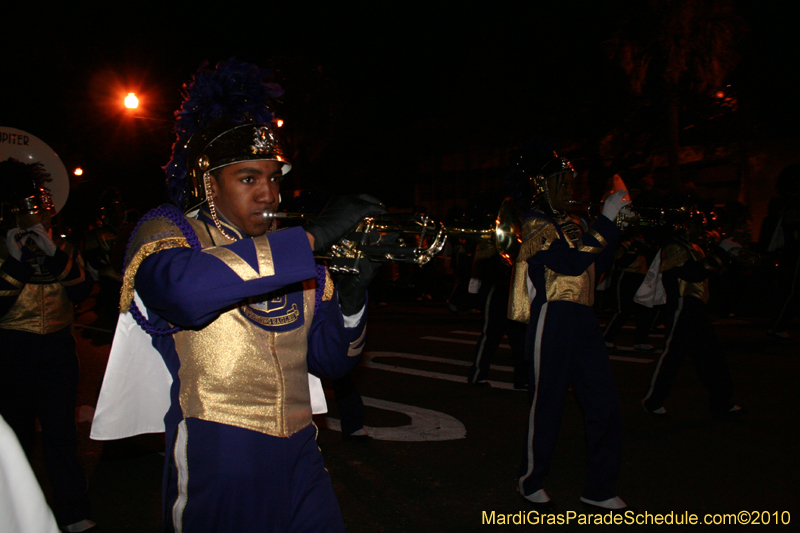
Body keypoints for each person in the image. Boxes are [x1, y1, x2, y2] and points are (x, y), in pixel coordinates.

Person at [92, 59, 385, 532]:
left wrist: (352, 295)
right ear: (209, 186)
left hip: (302, 450)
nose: (269, 194)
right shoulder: (171, 230)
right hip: (219, 453)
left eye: (273, 178)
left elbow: (332, 363)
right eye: (248, 178)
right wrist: (310, 240)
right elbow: (184, 292)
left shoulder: (292, 252)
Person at [507, 144, 630, 512]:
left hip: (585, 318)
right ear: (541, 185)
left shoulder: (575, 223)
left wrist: (616, 226)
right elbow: (570, 263)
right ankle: (531, 479)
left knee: (604, 403)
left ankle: (599, 487)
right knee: (548, 402)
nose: (568, 189)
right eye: (561, 182)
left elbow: (598, 264)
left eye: (569, 182)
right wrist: (606, 222)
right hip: (554, 317)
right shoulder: (534, 222)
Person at [0, 157, 96, 532]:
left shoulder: (63, 244)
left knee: (61, 434)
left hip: (57, 349)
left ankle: (73, 512)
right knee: (15, 436)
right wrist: (15, 261)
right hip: (10, 349)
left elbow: (83, 289)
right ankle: (14, 512)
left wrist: (52, 251)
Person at [642, 208, 742, 416]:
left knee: (711, 356)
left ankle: (721, 401)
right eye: (698, 226)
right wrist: (721, 252)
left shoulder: (696, 247)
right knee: (673, 357)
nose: (703, 231)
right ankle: (652, 401)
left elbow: (710, 275)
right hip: (682, 306)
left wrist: (727, 258)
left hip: (696, 307)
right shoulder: (674, 246)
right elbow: (692, 274)